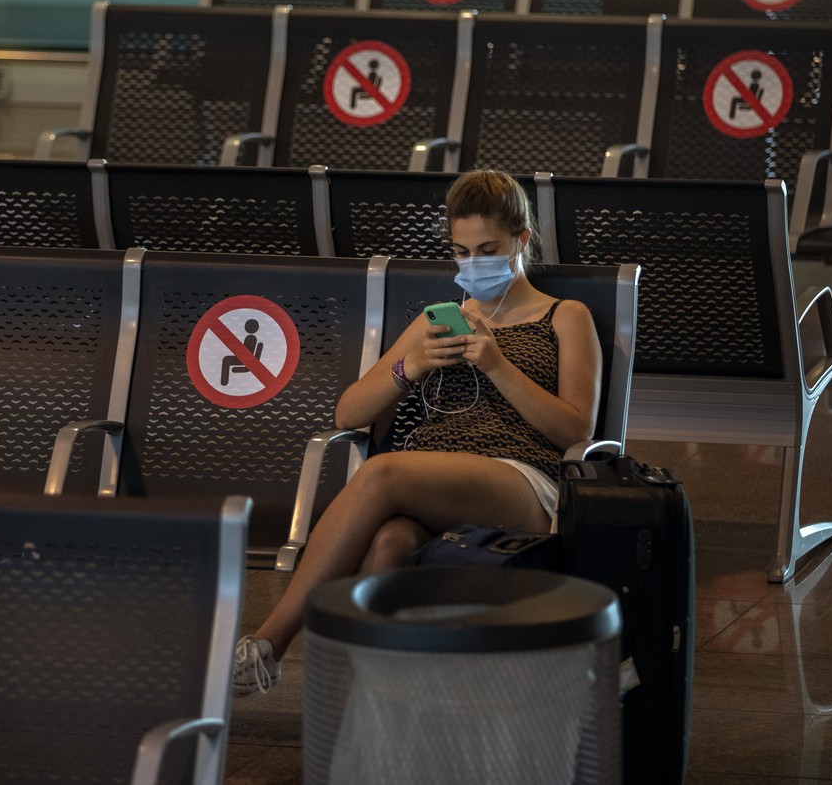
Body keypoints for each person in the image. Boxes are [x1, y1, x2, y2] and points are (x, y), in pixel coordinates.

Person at [233, 169, 602, 695]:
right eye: (462, 251)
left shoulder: (565, 317)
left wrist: (498, 366)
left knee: (381, 473)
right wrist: (412, 365)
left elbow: (576, 429)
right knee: (388, 543)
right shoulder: (445, 317)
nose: (472, 264)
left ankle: (269, 644)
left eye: (487, 249)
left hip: (523, 482)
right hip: (431, 478)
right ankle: (368, 707)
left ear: (522, 240)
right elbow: (347, 413)